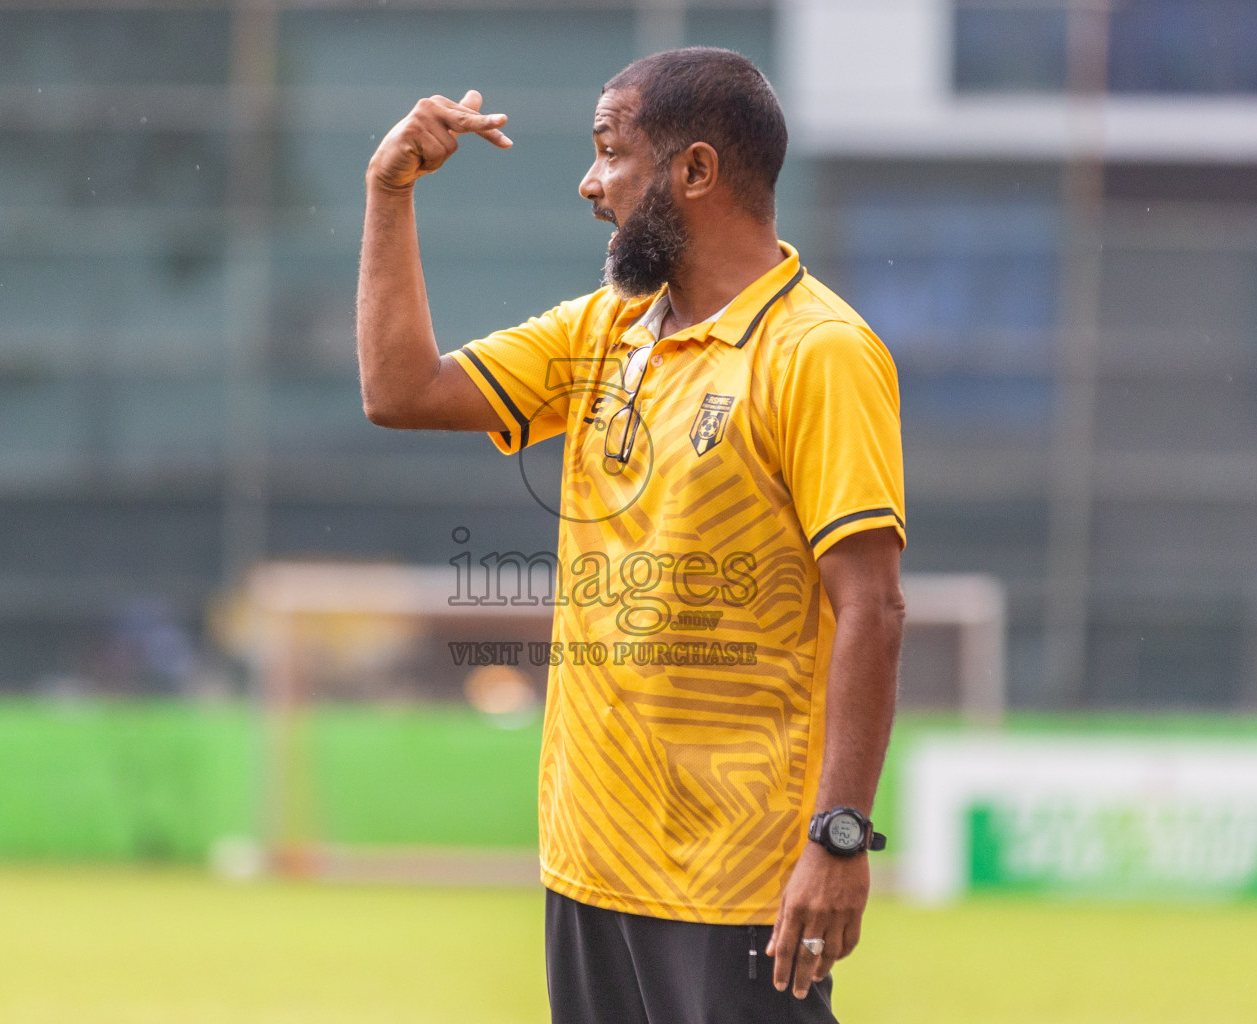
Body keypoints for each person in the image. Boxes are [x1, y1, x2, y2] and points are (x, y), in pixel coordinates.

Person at [357, 47, 905, 1024]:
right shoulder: (606, 329)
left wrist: (840, 836)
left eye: (609, 153)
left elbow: (870, 605)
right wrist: (388, 191)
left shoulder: (820, 352)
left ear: (695, 171)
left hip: (734, 880)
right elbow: (402, 389)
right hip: (588, 863)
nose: (589, 183)